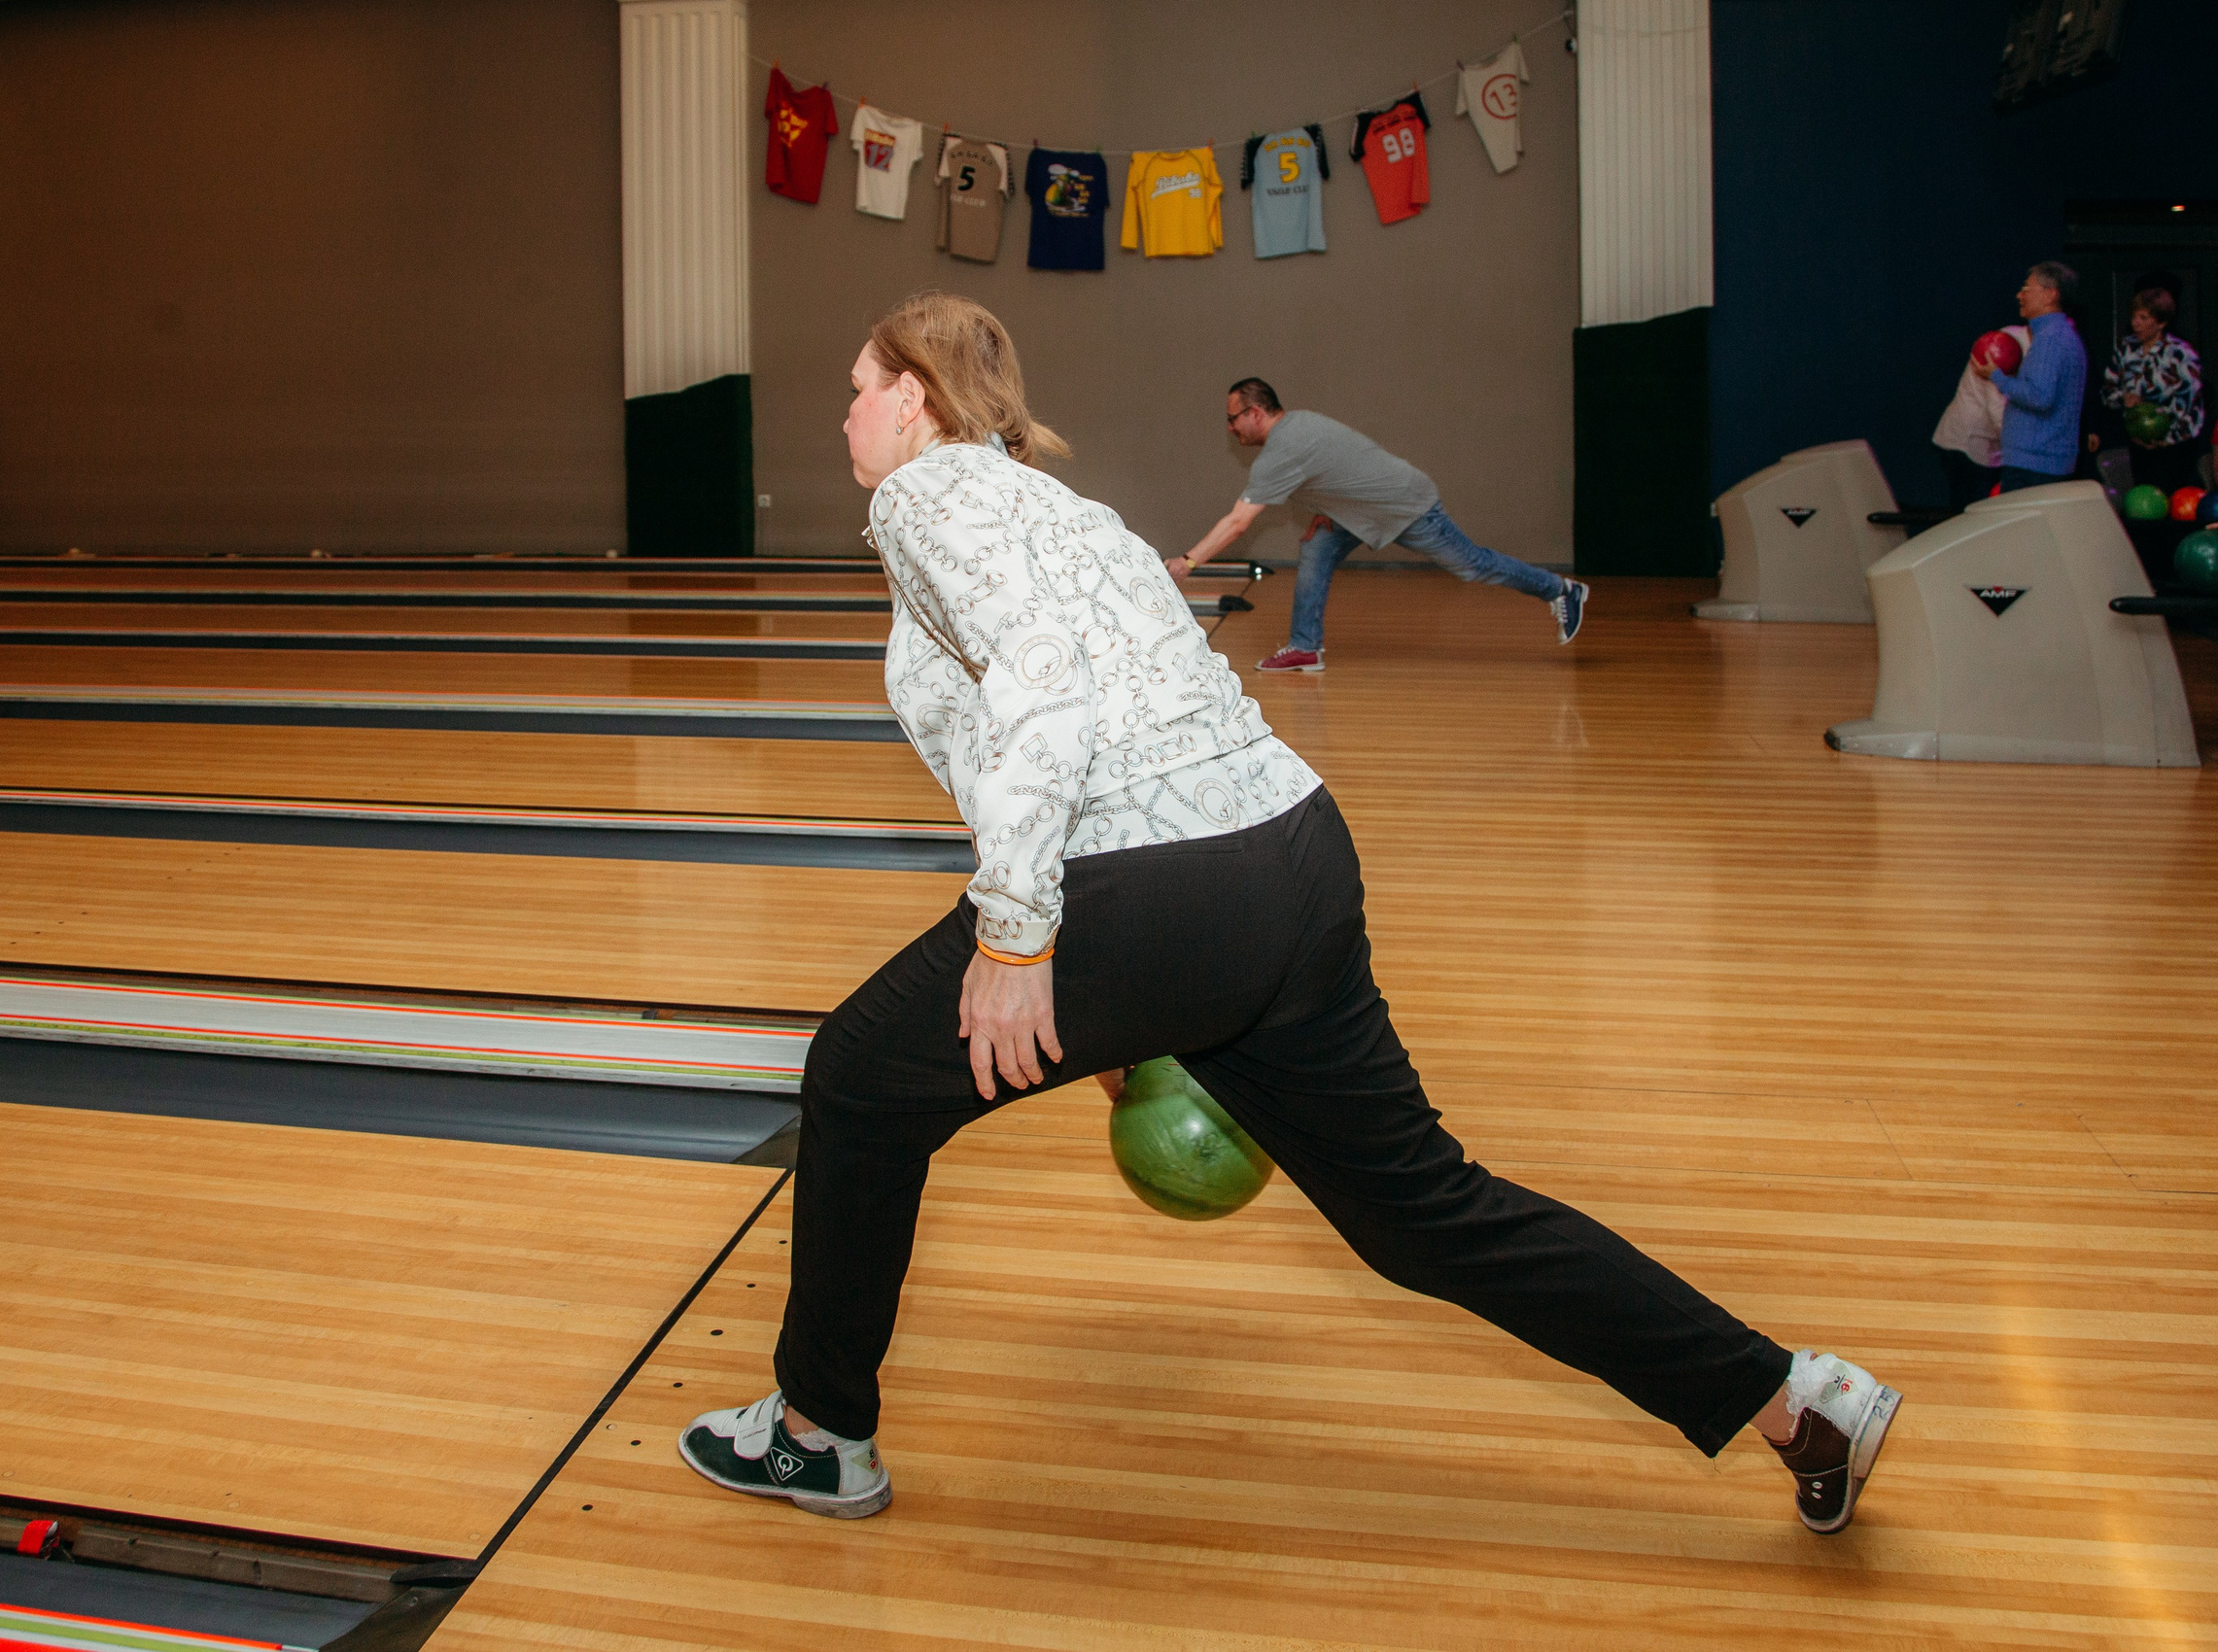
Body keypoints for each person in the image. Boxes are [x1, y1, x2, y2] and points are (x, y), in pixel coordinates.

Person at [676, 292, 1904, 1538]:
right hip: (1291, 855)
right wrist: (1128, 999)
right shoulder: (1062, 505)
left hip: (1154, 881)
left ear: (914, 399)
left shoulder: (924, 495)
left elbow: (1042, 689)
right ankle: (1794, 1397)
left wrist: (1015, 936)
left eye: (854, 388)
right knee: (1425, 1209)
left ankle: (819, 1433)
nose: (843, 417)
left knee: (855, 1078)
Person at [1164, 379, 1588, 671]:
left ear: (1255, 412)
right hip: (1357, 513)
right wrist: (1327, 512)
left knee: (1470, 565)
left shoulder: (1282, 447)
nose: (1230, 427)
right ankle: (1305, 648)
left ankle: (1561, 590)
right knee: (1316, 546)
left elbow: (1239, 522)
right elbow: (1339, 470)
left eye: (1233, 417)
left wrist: (1189, 561)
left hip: (1405, 506)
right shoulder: (1299, 426)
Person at [1986, 261, 2088, 492]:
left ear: (2050, 295)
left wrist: (1996, 376)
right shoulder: (2058, 334)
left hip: (2034, 465)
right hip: (2040, 461)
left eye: (2027, 288)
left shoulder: (2051, 338)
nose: (2020, 295)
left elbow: (2039, 397)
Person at [2100, 286, 2205, 496]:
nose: (2135, 323)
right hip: (2138, 443)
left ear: (2161, 322)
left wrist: (2164, 437)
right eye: (2134, 316)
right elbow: (2107, 391)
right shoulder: (2126, 350)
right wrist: (2124, 399)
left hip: (2175, 447)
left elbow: (2189, 402)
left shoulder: (2180, 353)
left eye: (2144, 317)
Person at [1932, 325, 2031, 510]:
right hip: (1966, 443)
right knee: (1971, 514)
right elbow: (1998, 409)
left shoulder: (2044, 348)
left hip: (1991, 448)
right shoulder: (2002, 343)